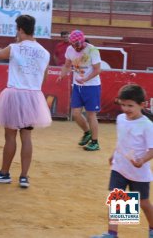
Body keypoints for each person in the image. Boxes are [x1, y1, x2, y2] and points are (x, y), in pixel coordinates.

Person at [0, 14, 52, 188]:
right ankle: (24, 176)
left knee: (10, 136)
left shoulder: (14, 48)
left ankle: (5, 173)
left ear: (20, 29)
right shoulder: (44, 53)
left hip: (15, 95)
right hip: (33, 95)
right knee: (27, 136)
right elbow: (43, 79)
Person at [91, 85, 153, 238]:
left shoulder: (147, 125)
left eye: (130, 105)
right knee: (117, 197)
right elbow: (122, 140)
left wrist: (143, 160)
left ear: (142, 105)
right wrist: (114, 154)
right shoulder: (120, 119)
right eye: (123, 104)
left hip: (139, 171)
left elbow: (152, 149)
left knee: (143, 203)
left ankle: (152, 228)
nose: (125, 108)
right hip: (120, 166)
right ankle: (113, 234)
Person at [58, 29, 102, 151]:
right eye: (72, 44)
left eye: (77, 44)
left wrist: (86, 79)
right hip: (78, 86)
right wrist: (62, 75)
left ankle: (95, 142)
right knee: (76, 113)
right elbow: (67, 65)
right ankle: (87, 132)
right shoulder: (70, 50)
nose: (75, 47)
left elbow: (97, 69)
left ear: (82, 40)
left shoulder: (92, 50)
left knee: (90, 114)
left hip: (92, 86)